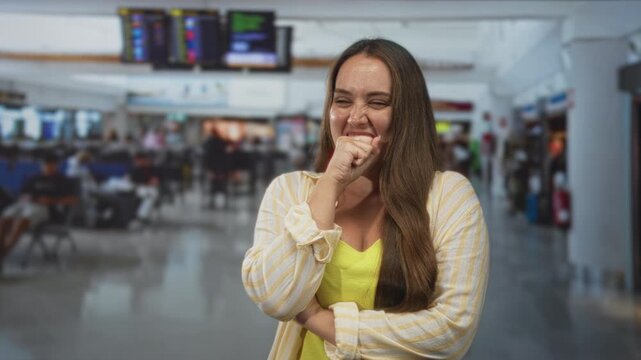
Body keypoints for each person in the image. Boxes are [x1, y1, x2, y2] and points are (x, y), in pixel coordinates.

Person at [242, 39, 489, 359]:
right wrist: (331, 183)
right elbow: (276, 299)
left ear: (406, 113)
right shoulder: (289, 191)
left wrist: (319, 320)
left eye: (377, 102)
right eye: (342, 100)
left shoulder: (449, 196)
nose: (356, 117)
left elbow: (451, 331)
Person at [0, 153, 75, 261]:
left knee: (23, 219)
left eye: (51, 165)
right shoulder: (34, 178)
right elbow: (22, 194)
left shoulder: (62, 180)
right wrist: (25, 197)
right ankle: (1, 249)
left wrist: (53, 201)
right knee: (5, 217)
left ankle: (5, 252)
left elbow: (72, 199)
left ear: (56, 165)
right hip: (26, 204)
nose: (47, 167)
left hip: (46, 208)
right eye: (45, 165)